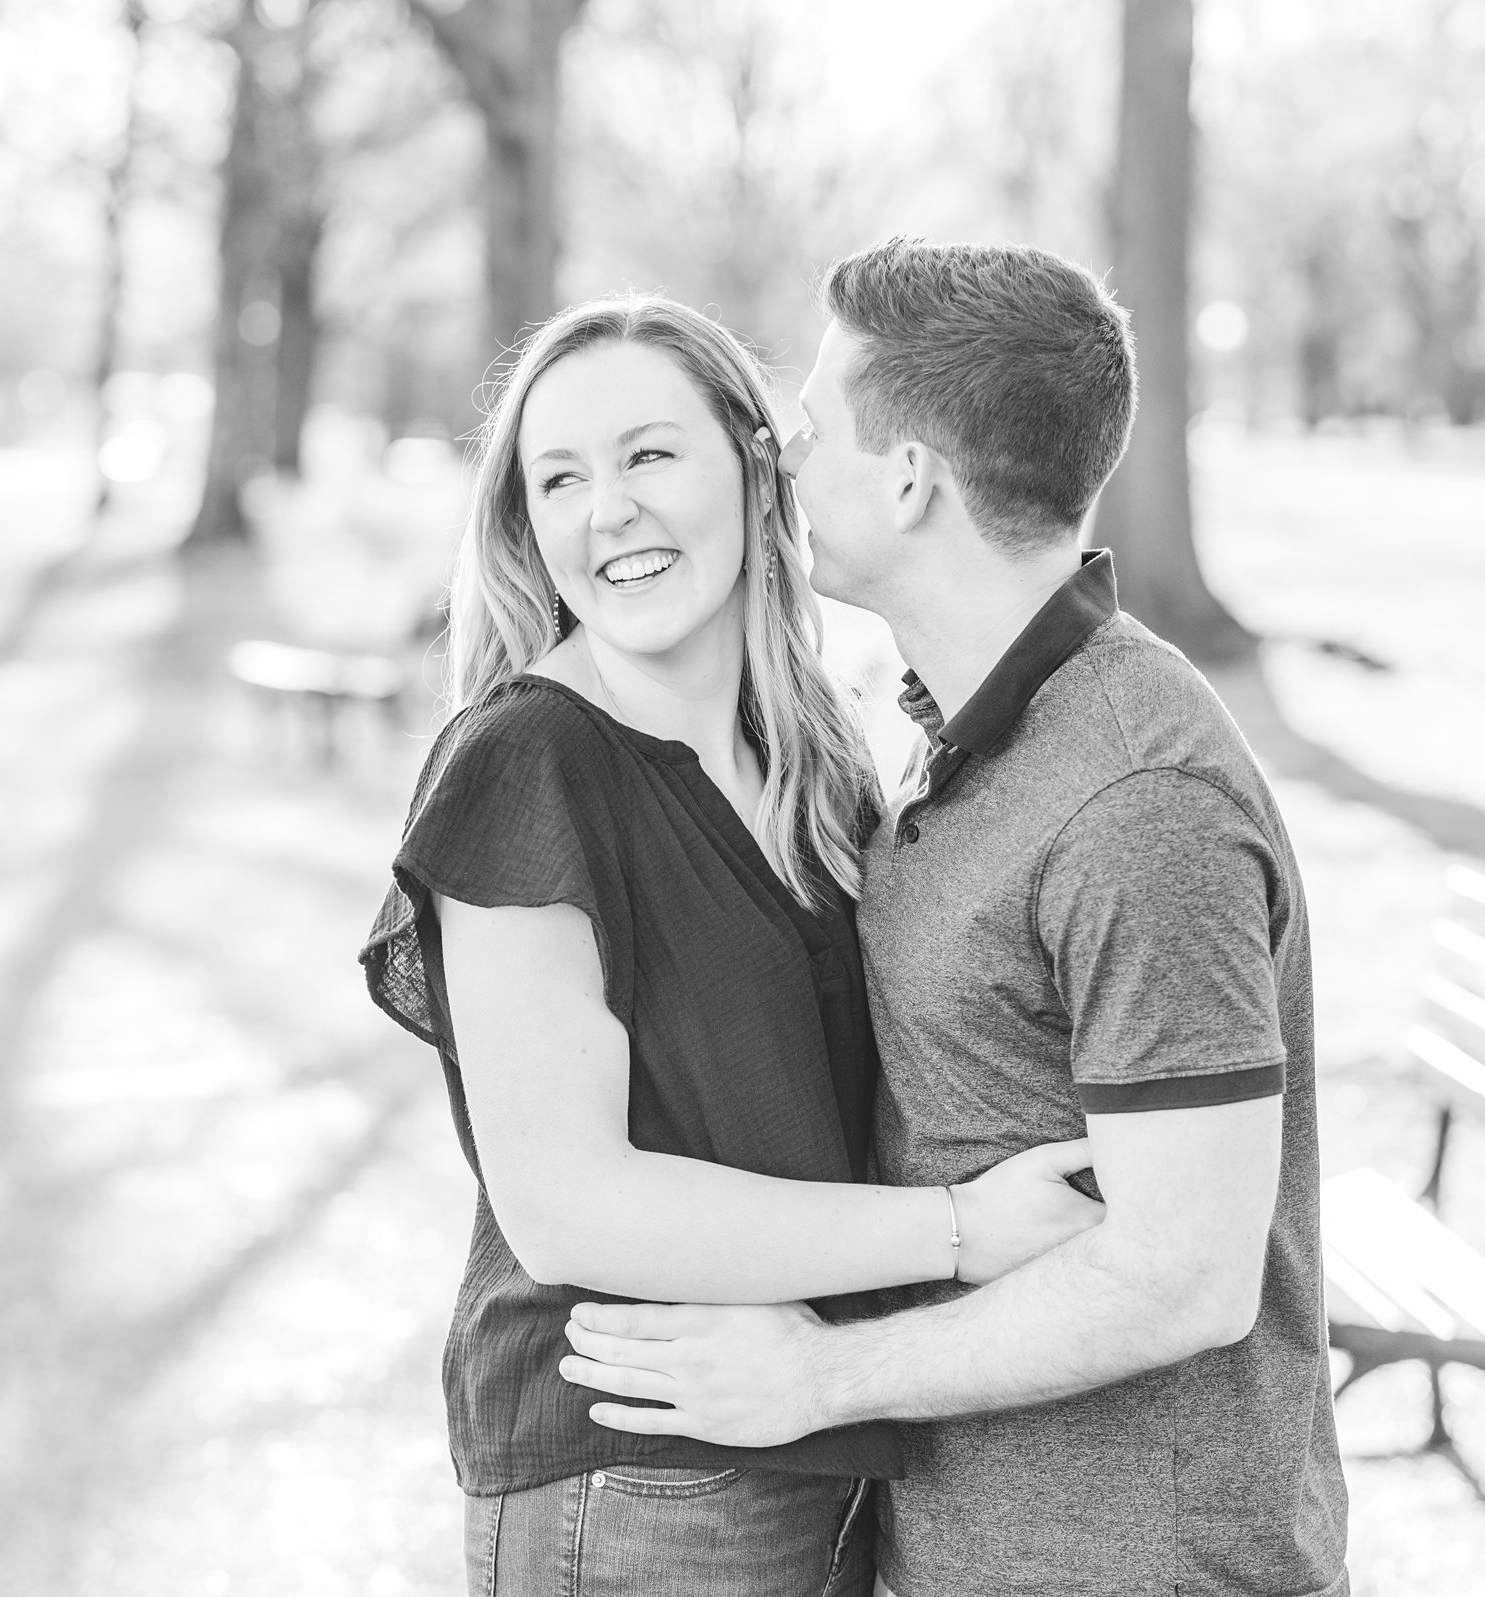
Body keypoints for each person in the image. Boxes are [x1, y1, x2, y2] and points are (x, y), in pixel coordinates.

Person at [560, 241, 1350, 1597]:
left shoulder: (1135, 796)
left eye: (806, 434)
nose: (778, 463)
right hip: (977, 1539)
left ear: (911, 475)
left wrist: (819, 1373)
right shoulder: (965, 731)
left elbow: (1185, 1274)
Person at [359, 294, 1105, 1597]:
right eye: (561, 479)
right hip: (638, 1472)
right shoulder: (527, 762)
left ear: (759, 470)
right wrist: (956, 1233)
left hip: (817, 1443)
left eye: (649, 454)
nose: (609, 511)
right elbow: (566, 1204)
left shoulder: (813, 760)